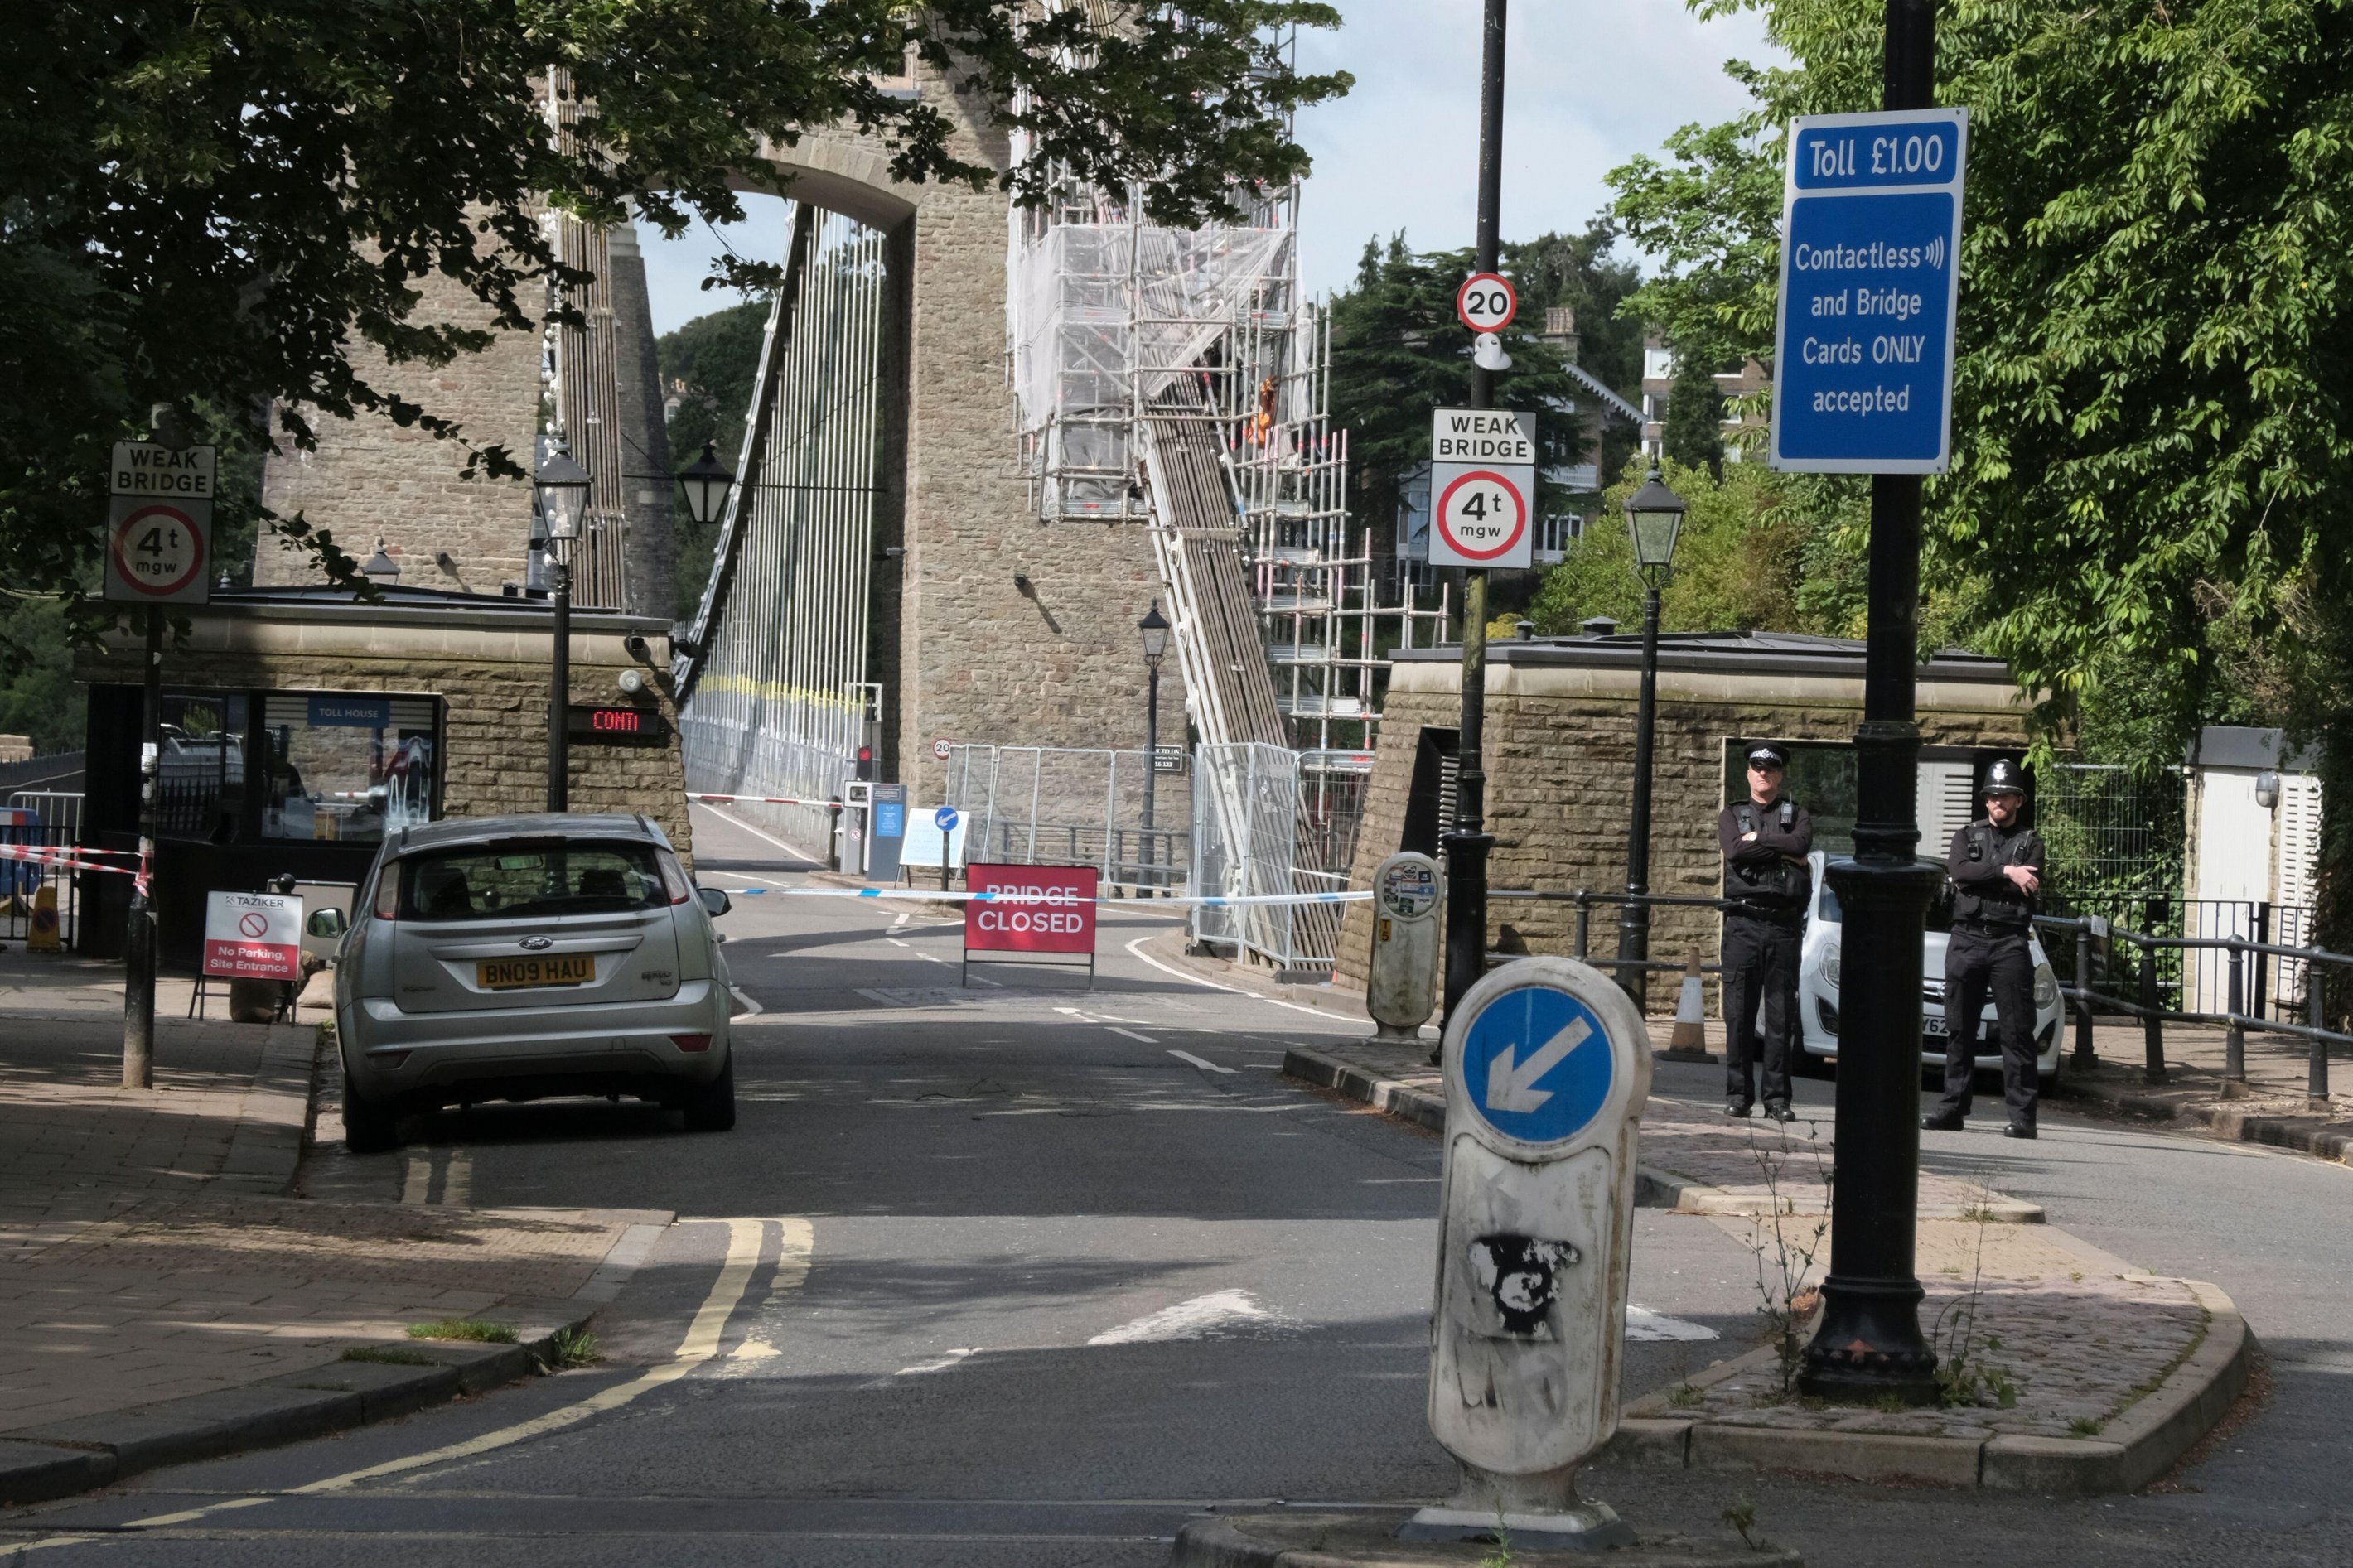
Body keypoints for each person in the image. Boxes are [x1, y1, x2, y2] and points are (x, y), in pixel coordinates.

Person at [1923, 758, 2049, 1138]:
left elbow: (2027, 886)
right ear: (1985, 800)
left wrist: (1990, 879)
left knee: (2016, 1030)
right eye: (1992, 796)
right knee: (1960, 1028)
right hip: (1966, 938)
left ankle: (2023, 1117)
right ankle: (1953, 1108)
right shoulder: (1966, 835)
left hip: (2009, 942)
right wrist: (2007, 872)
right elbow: (1959, 872)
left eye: (2005, 796)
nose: (1998, 802)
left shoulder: (2032, 843)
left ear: (2018, 800)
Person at [1717, 743, 1814, 1120]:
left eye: (1770, 770)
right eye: (1757, 767)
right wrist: (1782, 852)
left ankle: (1777, 1100)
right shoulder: (1733, 814)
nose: (1763, 774)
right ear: (1748, 773)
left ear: (1780, 775)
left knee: (1780, 1018)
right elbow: (1735, 853)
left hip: (1783, 926)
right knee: (1739, 1015)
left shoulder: (1796, 815)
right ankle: (1739, 1096)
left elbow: (1801, 843)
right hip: (1743, 923)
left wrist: (1761, 841)